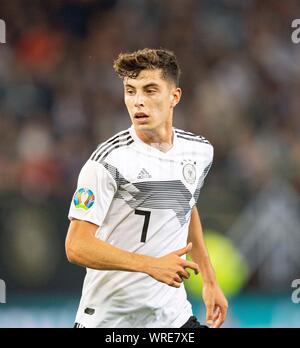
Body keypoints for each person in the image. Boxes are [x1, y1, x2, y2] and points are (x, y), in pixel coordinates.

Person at [65, 48, 228, 328]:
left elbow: (186, 206)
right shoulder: (107, 161)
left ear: (174, 96)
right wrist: (150, 264)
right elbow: (76, 246)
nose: (138, 102)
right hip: (111, 321)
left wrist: (210, 281)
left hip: (172, 318)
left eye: (150, 90)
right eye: (131, 91)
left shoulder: (200, 151)